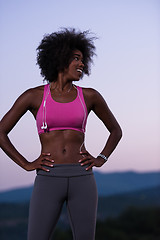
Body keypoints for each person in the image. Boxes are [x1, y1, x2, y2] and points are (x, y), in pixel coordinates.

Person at [0, 28, 122, 240]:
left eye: (83, 59)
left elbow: (116, 130)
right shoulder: (34, 96)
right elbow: (1, 131)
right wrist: (26, 164)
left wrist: (101, 158)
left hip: (82, 176)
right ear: (60, 58)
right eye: (76, 59)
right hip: (48, 177)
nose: (82, 64)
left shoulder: (90, 96)